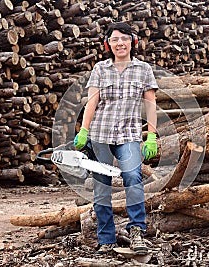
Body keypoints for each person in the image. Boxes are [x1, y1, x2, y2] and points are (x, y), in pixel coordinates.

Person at [74, 22, 158, 255]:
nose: (119, 43)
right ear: (107, 44)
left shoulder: (143, 70)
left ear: (133, 42)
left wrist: (151, 135)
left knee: (132, 175)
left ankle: (137, 231)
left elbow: (150, 104)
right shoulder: (100, 69)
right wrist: (84, 131)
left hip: (129, 134)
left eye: (124, 38)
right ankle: (106, 239)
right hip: (100, 135)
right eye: (114, 39)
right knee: (102, 186)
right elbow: (92, 102)